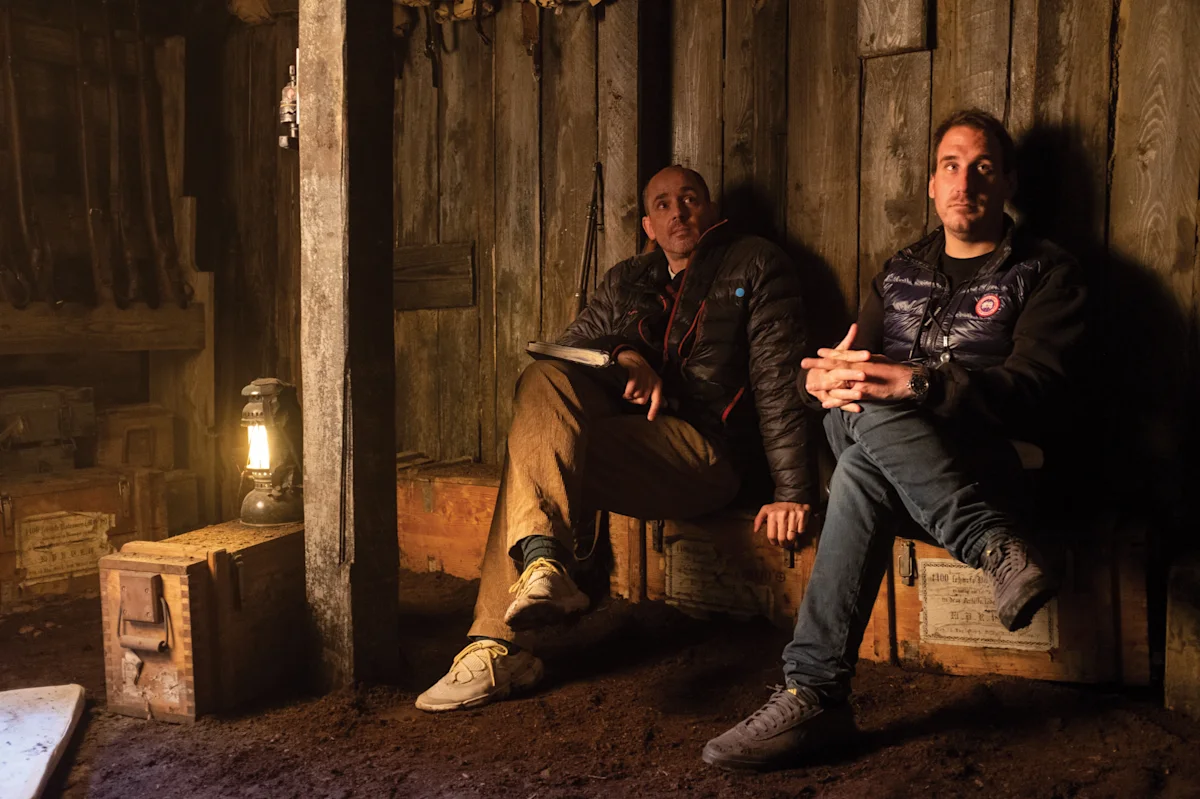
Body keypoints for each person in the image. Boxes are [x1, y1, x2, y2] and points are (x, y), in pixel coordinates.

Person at [702, 109, 1087, 770]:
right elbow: (852, 366)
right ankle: (992, 547)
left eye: (983, 168)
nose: (965, 181)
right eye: (950, 166)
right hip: (923, 483)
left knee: (859, 467)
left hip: (997, 466)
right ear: (932, 186)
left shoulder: (1047, 272)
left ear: (1008, 183)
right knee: (850, 413)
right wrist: (817, 381)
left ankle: (813, 694)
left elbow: (1036, 392)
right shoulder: (902, 271)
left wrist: (919, 384)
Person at [416, 165, 815, 712]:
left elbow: (778, 378)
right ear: (648, 224)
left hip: (706, 452)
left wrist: (792, 490)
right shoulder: (627, 279)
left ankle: (497, 642)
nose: (678, 212)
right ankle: (541, 568)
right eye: (663, 204)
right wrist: (623, 355)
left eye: (690, 199)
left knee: (531, 453)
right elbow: (567, 351)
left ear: (711, 208)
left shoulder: (755, 262)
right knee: (542, 384)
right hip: (636, 445)